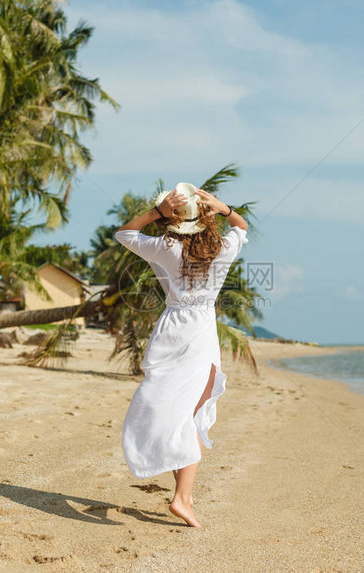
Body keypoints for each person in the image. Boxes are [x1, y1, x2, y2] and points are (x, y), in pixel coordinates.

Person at [114, 182, 249, 528]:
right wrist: (222, 207)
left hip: (171, 330)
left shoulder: (164, 248)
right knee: (194, 413)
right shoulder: (224, 248)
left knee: (181, 413)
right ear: (205, 219)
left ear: (173, 220)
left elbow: (124, 234)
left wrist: (156, 213)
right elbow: (241, 226)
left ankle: (184, 495)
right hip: (201, 333)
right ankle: (182, 498)